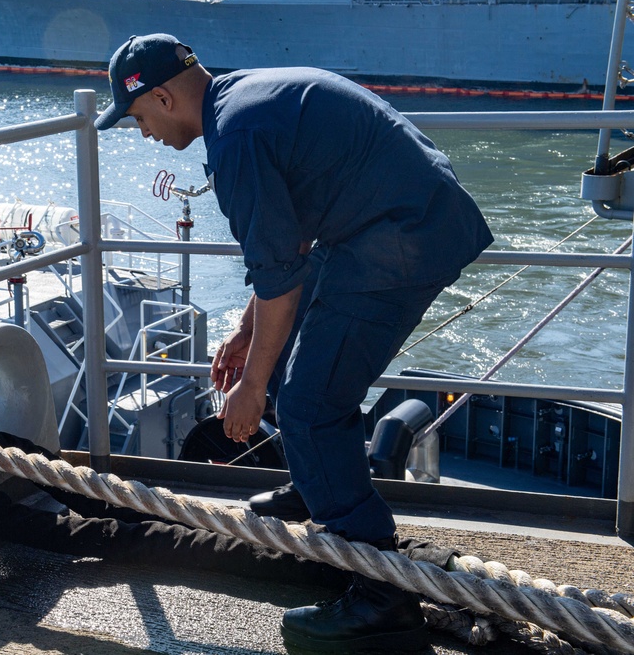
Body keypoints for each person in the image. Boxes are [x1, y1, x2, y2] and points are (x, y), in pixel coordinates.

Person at [94, 34, 493, 653]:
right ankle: (316, 484)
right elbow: (289, 250)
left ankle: (380, 598)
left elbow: (282, 278)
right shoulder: (243, 99)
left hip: (399, 237)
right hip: (387, 220)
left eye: (138, 118)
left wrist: (251, 388)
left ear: (165, 97)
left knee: (308, 405)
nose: (143, 134)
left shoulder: (236, 140)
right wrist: (248, 333)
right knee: (290, 366)